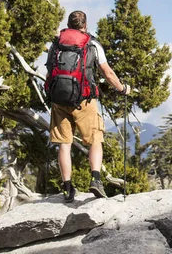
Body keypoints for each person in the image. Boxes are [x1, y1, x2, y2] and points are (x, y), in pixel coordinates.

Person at [45, 10, 131, 202]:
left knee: (64, 144)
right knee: (95, 140)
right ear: (85, 25)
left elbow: (49, 70)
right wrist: (122, 88)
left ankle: (67, 188)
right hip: (85, 100)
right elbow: (107, 73)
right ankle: (96, 179)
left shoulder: (56, 44)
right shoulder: (92, 44)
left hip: (59, 100)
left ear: (68, 25)